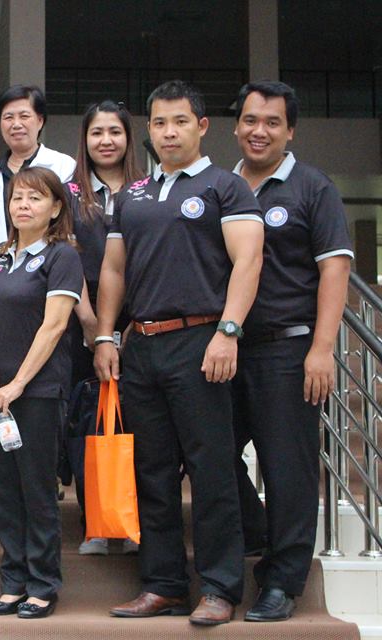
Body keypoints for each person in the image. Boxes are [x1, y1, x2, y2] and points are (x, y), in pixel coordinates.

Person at [94, 80, 264, 626]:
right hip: (141, 345)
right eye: (160, 123)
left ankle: (218, 587)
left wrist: (228, 331)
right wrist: (105, 334)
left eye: (180, 121)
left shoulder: (226, 188)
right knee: (152, 471)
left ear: (202, 126)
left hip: (202, 342)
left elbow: (248, 262)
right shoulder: (133, 195)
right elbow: (113, 269)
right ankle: (163, 584)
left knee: (212, 468)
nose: (169, 132)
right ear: (149, 129)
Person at [231, 80, 352, 622]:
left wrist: (322, 349)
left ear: (290, 131)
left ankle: (282, 580)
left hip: (289, 351)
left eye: (272, 122)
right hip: (226, 349)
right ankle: (255, 529)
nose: (259, 131)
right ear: (236, 126)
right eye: (251, 120)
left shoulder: (312, 188)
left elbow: (335, 270)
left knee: (287, 469)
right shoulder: (221, 186)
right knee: (205, 450)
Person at [0, 167, 84, 620]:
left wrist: (18, 384)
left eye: (35, 198)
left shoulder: (62, 256)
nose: (23, 205)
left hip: (36, 391)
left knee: (36, 489)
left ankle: (42, 583)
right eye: (17, 197)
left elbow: (54, 326)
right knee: (5, 488)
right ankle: (13, 581)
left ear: (55, 208)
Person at [65, 100, 143, 556]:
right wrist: (93, 324)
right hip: (82, 316)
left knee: (136, 419)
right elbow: (64, 258)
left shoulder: (148, 189)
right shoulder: (69, 193)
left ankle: (130, 520)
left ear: (129, 138)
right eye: (97, 132)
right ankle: (94, 520)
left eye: (115, 131)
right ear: (85, 139)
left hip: (140, 318)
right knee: (88, 419)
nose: (106, 140)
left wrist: (133, 324)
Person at [0, 85, 76, 263]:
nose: (16, 124)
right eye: (8, 117)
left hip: (50, 266)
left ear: (40, 121)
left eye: (24, 116)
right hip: (0, 271)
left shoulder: (64, 166)